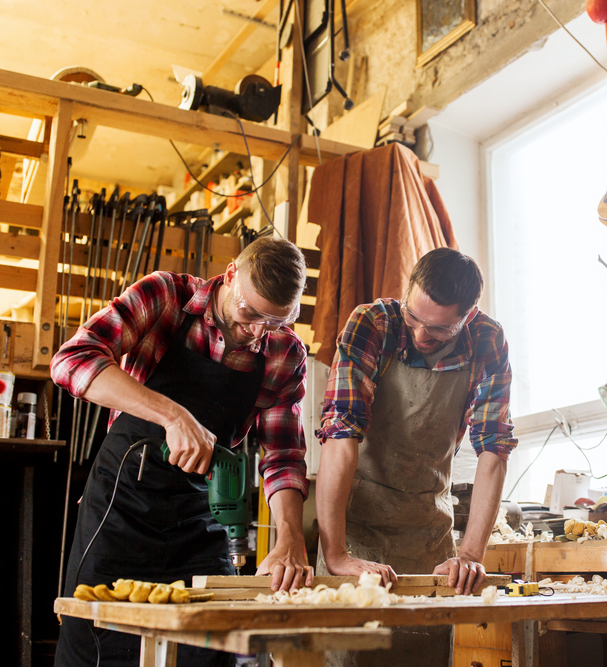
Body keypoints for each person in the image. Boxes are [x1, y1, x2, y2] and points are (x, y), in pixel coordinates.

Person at [52, 237, 313, 667]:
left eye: (275, 320)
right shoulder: (167, 297)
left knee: (211, 650)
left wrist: (289, 536)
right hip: (119, 514)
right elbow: (72, 360)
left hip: (200, 521)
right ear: (230, 275)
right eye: (250, 313)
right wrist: (173, 416)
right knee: (96, 647)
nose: (257, 331)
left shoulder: (285, 352)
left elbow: (283, 454)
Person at [316, 248, 516, 667]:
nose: (422, 336)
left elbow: (493, 448)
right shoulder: (372, 324)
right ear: (406, 291)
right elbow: (340, 434)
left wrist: (471, 555)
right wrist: (335, 554)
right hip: (356, 529)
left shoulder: (487, 341)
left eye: (440, 329)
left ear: (469, 315)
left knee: (421, 656)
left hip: (428, 532)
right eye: (414, 318)